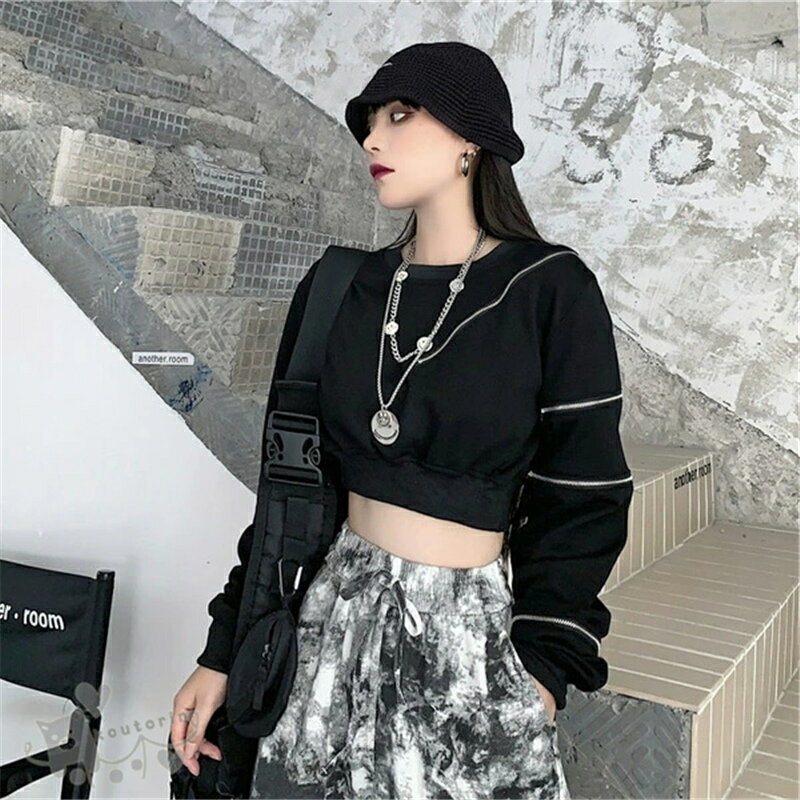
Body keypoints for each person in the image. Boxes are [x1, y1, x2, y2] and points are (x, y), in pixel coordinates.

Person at [172, 41, 633, 799]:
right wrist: (223, 649)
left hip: (471, 646)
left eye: (399, 115)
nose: (371, 140)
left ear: (470, 138)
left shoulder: (550, 290)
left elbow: (584, 499)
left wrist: (541, 673)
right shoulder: (339, 289)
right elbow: (291, 495)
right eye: (369, 123)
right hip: (327, 632)